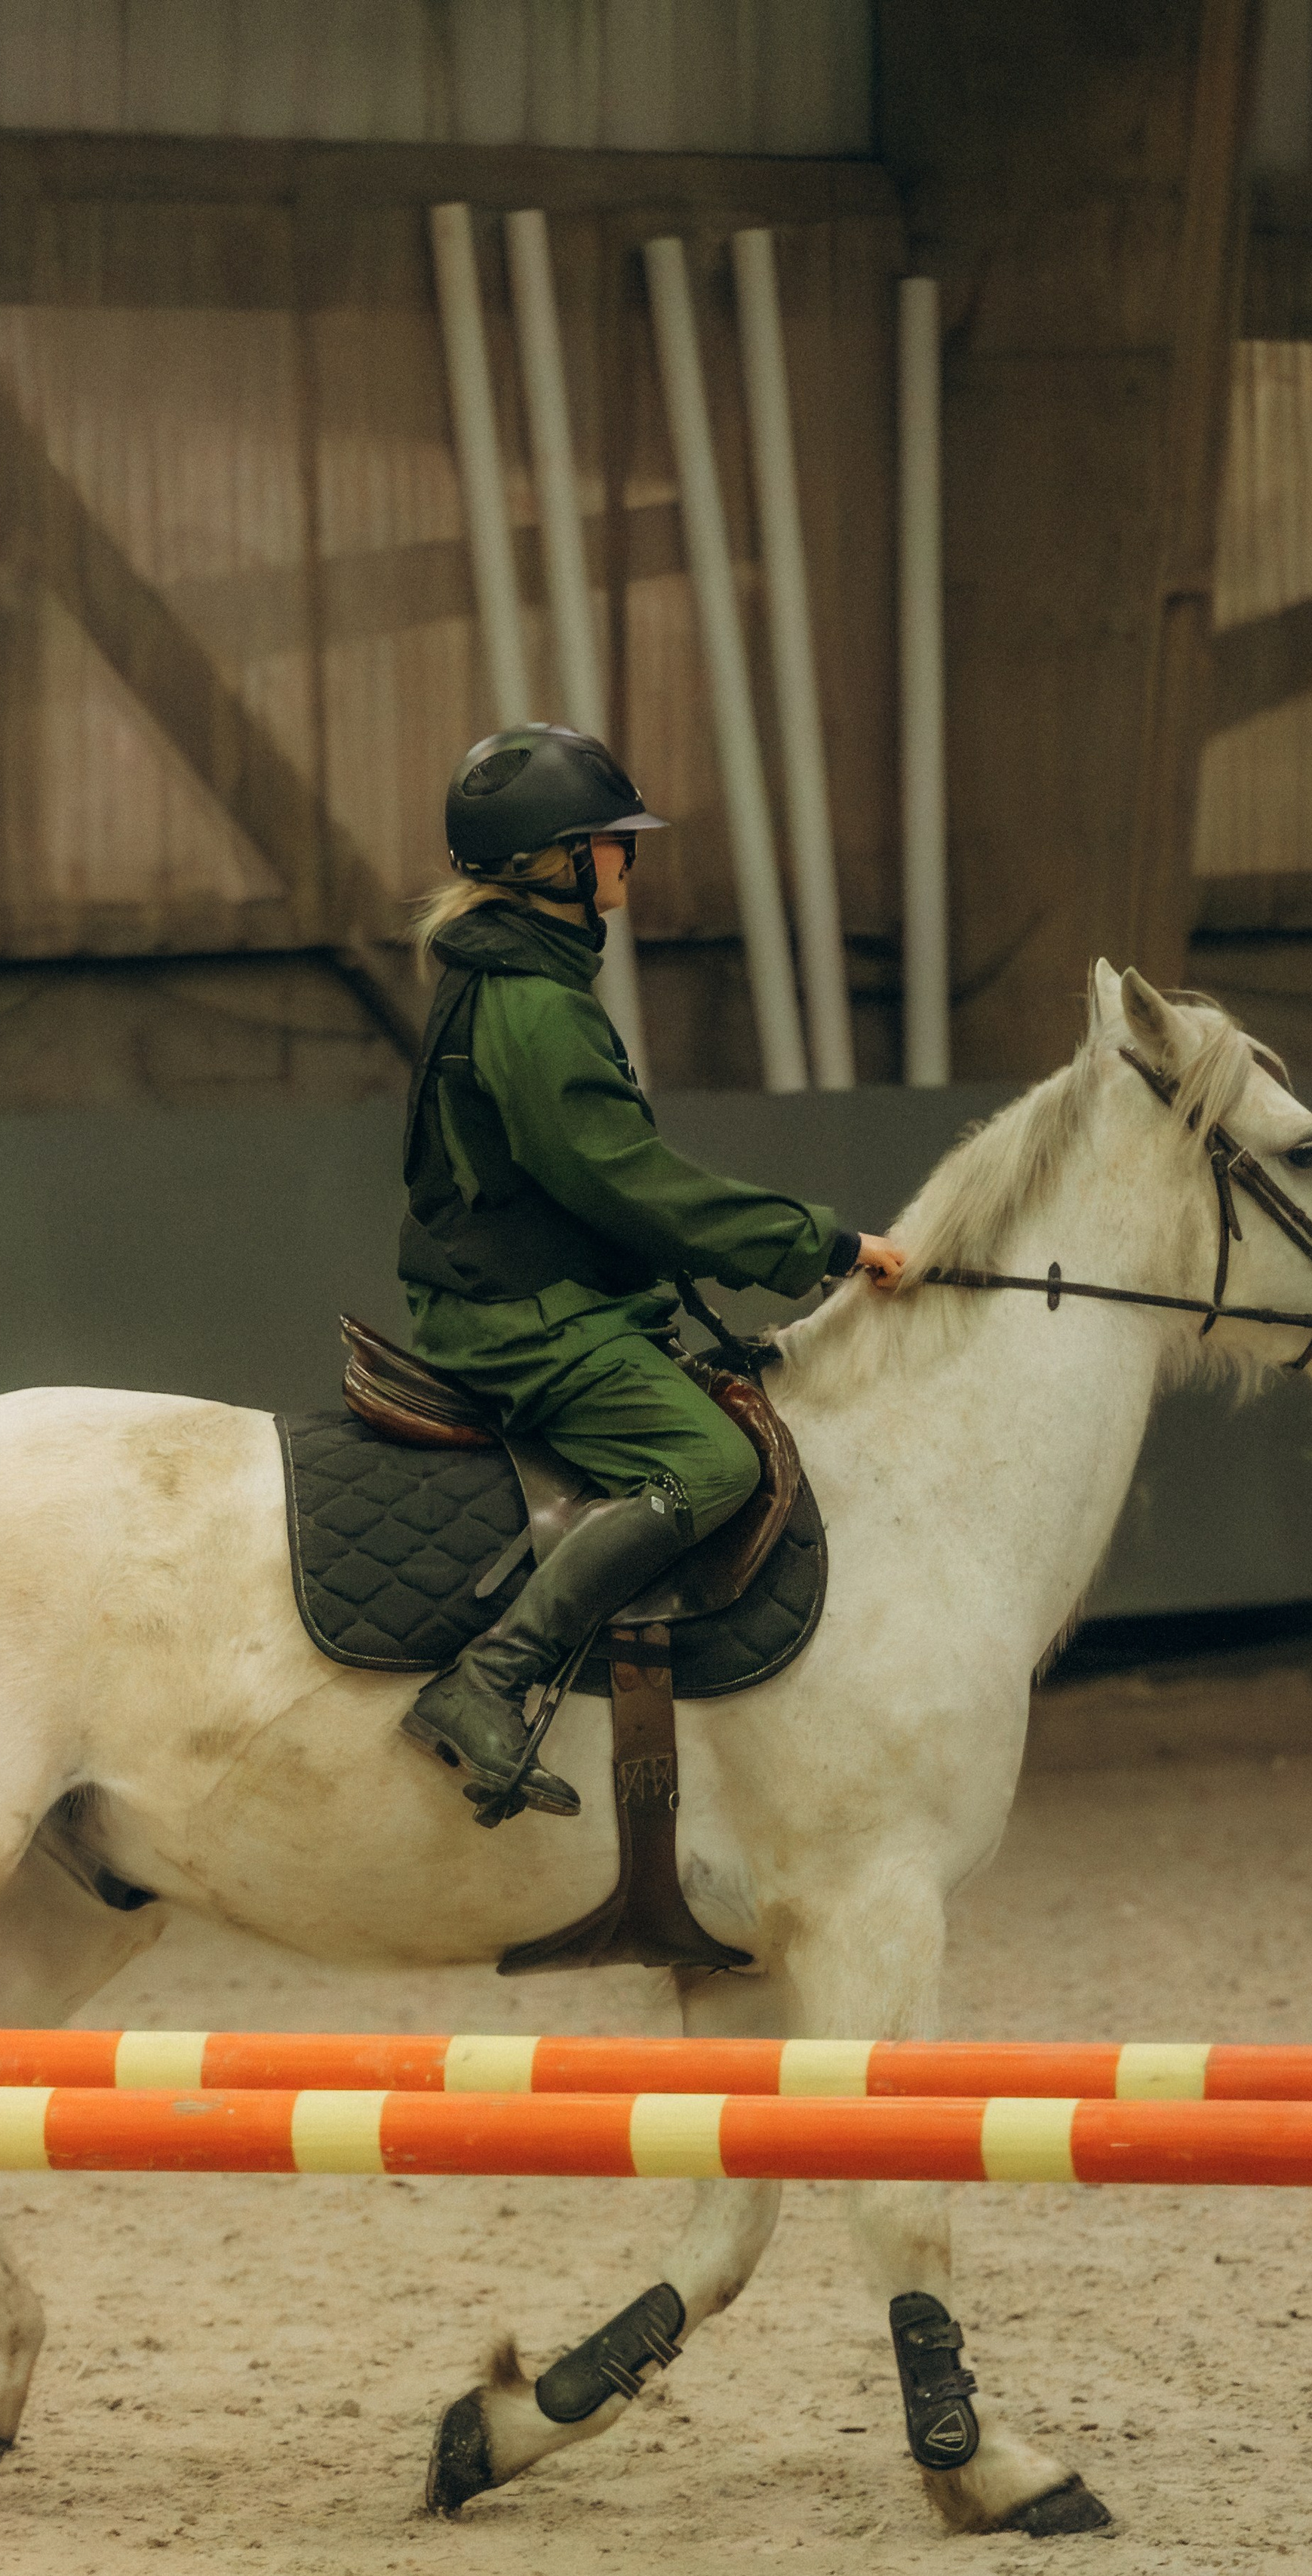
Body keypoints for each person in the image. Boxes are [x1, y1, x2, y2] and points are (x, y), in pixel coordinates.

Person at [399, 723, 904, 1819]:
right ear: (554, 861)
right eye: (609, 838)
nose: (628, 854)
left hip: (538, 1299)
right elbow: (628, 1182)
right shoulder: (535, 1007)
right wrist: (823, 1244)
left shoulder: (521, 979)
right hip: (524, 1322)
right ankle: (490, 1678)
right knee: (714, 1464)